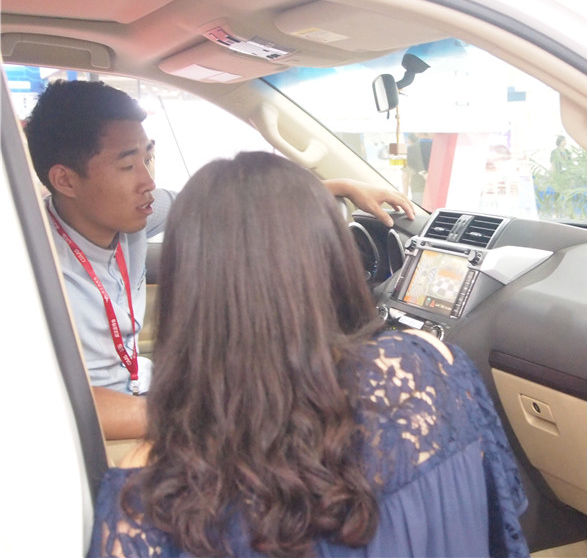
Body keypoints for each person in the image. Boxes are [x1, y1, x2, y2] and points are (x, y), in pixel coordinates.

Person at [88, 151, 529, 557]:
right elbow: (503, 524)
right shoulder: (431, 370)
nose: (145, 176)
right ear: (332, 257)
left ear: (186, 292)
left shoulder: (146, 496)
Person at [24, 80, 415, 441]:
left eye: (149, 157)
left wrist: (341, 185)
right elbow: (39, 401)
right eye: (127, 166)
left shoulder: (133, 212)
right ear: (65, 180)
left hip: (143, 391)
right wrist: (201, 420)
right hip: (95, 433)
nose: (148, 182)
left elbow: (229, 205)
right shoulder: (28, 268)